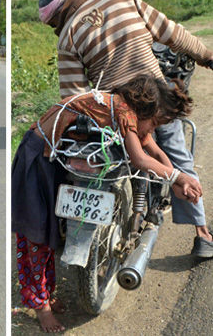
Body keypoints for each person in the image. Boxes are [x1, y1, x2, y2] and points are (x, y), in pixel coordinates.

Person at [12, 75, 201, 332]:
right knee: (35, 235)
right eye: (155, 122)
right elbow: (141, 159)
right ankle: (40, 306)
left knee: (50, 233)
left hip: (55, 159)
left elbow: (153, 149)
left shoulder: (123, 109)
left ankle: (45, 294)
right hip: (37, 158)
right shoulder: (123, 111)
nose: (153, 130)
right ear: (145, 109)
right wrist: (178, 176)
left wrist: (176, 182)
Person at [38, 0, 213, 257]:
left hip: (113, 111)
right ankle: (202, 234)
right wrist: (206, 56)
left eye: (53, 24)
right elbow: (171, 33)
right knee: (176, 150)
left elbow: (73, 98)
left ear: (58, 15)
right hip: (155, 98)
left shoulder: (68, 36)